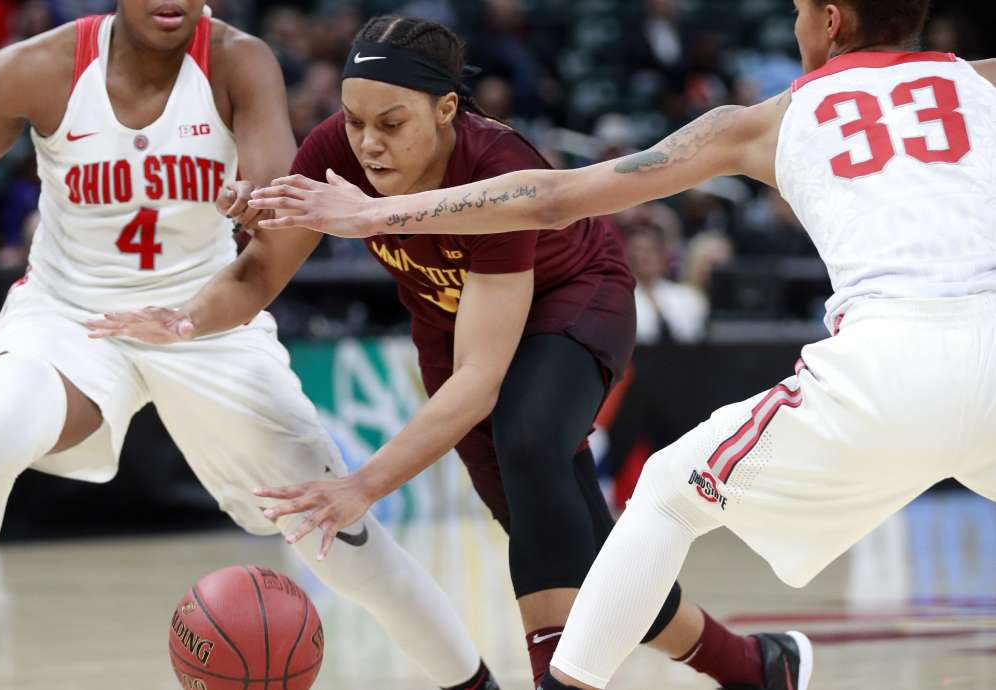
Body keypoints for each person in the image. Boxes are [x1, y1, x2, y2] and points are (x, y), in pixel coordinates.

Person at [244, 1, 996, 688]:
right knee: (564, 515)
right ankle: (750, 667)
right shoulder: (979, 82)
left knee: (663, 493)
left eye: (800, 10)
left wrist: (373, 216)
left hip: (886, 362)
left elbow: (552, 198)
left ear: (829, 22)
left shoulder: (766, 120)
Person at [90, 15, 796, 689]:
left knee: (528, 442)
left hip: (572, 295)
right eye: (355, 121)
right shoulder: (336, 152)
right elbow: (256, 275)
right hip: (447, 316)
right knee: (571, 545)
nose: (367, 143)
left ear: (446, 109)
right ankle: (752, 666)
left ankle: (554, 680)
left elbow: (481, 380)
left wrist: (362, 486)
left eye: (391, 124)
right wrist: (185, 318)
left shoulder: (494, 164)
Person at [0, 3, 494, 689]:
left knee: (341, 540)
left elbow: (279, 205)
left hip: (207, 317)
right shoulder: (40, 68)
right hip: (73, 316)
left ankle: (475, 683)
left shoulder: (238, 62)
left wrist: (255, 203)